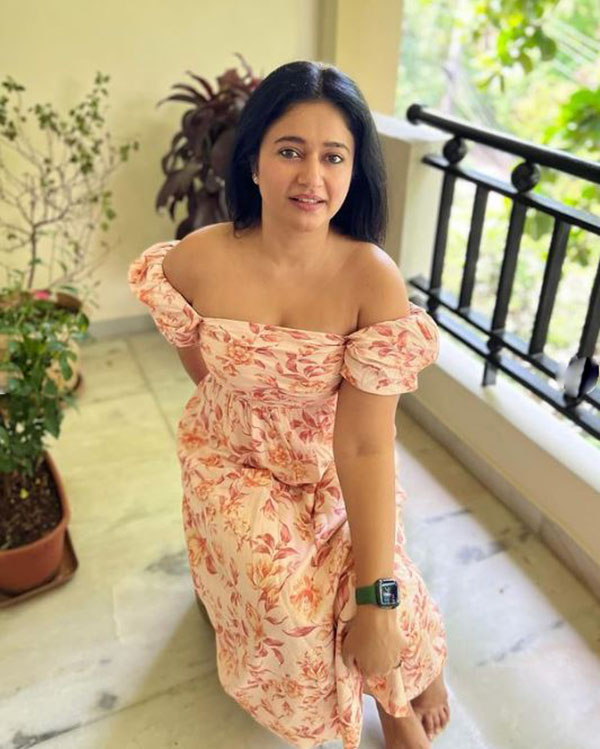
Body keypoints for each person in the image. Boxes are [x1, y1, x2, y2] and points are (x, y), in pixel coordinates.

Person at [128, 59, 450, 749]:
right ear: (252, 162)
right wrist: (246, 408)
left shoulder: (370, 278)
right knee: (291, 607)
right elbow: (193, 353)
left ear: (354, 170)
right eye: (290, 151)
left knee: (377, 581)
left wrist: (375, 601)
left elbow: (365, 444)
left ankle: (399, 697)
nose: (312, 177)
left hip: (331, 462)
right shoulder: (198, 258)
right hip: (232, 462)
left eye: (334, 156)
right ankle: (401, 687)